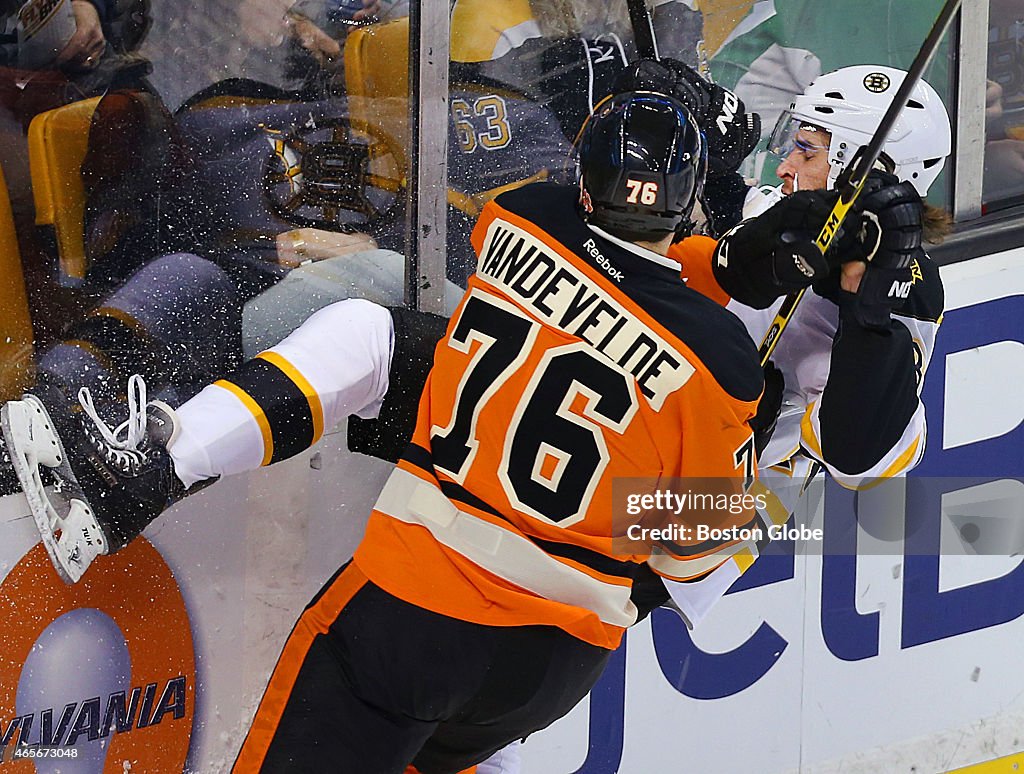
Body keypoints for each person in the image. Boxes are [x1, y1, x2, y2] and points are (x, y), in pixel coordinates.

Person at [5, 91, 781, 771]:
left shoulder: (522, 224)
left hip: (418, 610)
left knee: (366, 329)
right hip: (551, 665)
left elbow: (606, 263)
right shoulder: (723, 364)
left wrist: (723, 262)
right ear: (684, 203)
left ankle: (151, 469)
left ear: (584, 180)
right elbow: (692, 566)